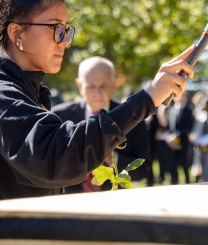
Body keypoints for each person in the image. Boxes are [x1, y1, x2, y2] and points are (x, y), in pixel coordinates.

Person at [0, 0, 194, 203]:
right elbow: (57, 159)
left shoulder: (21, 90)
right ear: (17, 33)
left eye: (66, 29)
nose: (64, 40)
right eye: (55, 27)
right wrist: (147, 98)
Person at [52, 57, 153, 192]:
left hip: (113, 203)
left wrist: (113, 159)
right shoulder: (59, 116)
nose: (97, 93)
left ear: (114, 84)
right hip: (70, 202)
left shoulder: (133, 118)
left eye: (103, 86)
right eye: (91, 86)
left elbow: (144, 170)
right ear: (79, 85)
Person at [165, 90, 194, 184]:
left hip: (183, 143)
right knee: (172, 165)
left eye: (183, 96)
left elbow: (188, 127)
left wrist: (177, 135)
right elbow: (169, 127)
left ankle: (188, 183)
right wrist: (169, 137)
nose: (180, 98)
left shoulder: (189, 110)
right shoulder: (171, 110)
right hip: (172, 143)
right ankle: (174, 183)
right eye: (179, 96)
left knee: (185, 166)